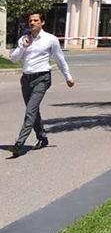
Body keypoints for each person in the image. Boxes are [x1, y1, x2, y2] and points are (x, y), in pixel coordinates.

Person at [8, 11, 75, 158]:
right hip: (26, 79)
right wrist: (23, 47)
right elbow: (14, 59)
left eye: (36, 20)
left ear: (42, 22)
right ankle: (42, 137)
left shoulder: (50, 39)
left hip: (42, 78)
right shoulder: (24, 39)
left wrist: (68, 77)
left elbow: (60, 59)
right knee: (33, 111)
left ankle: (19, 144)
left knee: (30, 111)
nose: (32, 23)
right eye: (30, 20)